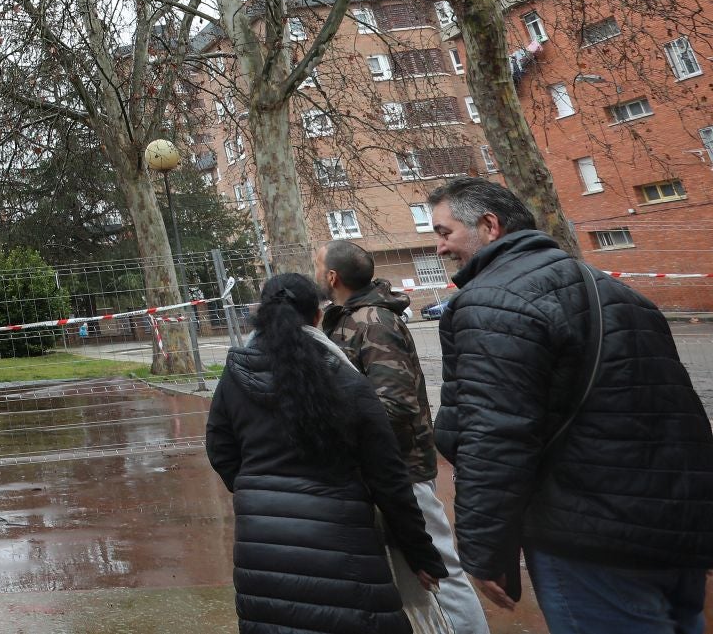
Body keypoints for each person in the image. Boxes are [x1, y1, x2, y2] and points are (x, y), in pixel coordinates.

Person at [428, 176, 713, 633]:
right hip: (670, 534)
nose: (440, 248)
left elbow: (496, 435)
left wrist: (483, 551)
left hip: (588, 544)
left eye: (444, 232)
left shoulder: (491, 301)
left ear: (489, 225)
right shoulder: (621, 293)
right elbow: (683, 420)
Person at [207, 272, 445, 633]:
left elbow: (220, 450)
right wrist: (420, 553)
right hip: (346, 547)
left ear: (261, 313)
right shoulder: (347, 381)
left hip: (261, 547)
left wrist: (258, 490)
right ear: (317, 317)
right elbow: (389, 477)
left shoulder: (234, 377)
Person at [319, 240, 489, 634]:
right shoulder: (348, 318)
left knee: (437, 568)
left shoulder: (374, 321)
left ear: (332, 277)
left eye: (317, 265)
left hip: (402, 470)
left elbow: (394, 406)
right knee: (410, 575)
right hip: (378, 469)